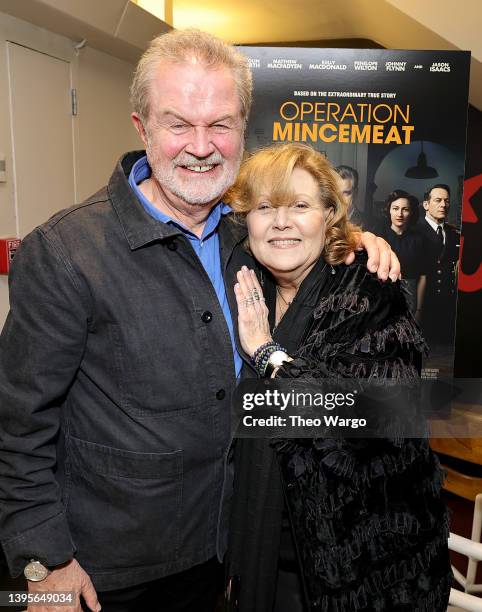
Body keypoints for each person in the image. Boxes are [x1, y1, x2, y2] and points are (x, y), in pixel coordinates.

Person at [0, 30, 399, 612]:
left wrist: (352, 241)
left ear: (244, 128)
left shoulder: (251, 234)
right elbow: (16, 428)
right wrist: (42, 566)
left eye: (220, 124)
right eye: (178, 123)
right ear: (142, 127)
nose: (201, 146)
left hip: (226, 555)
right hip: (100, 572)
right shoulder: (65, 253)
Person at [225, 143, 451, 612]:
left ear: (330, 215)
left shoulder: (369, 290)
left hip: (359, 567)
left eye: (300, 206)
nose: (281, 222)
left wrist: (268, 355)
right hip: (260, 551)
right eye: (266, 207)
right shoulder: (244, 281)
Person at [417, 184, 459, 345]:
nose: (443, 205)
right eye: (438, 200)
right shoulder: (414, 231)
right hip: (424, 306)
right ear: (426, 205)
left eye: (447, 201)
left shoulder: (455, 234)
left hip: (447, 308)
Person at [379, 189, 427, 320]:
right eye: (395, 208)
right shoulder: (378, 235)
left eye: (405, 209)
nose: (399, 214)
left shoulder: (419, 239)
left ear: (411, 212)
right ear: (389, 210)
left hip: (409, 298)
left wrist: (419, 309)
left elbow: (423, 276)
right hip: (382, 296)